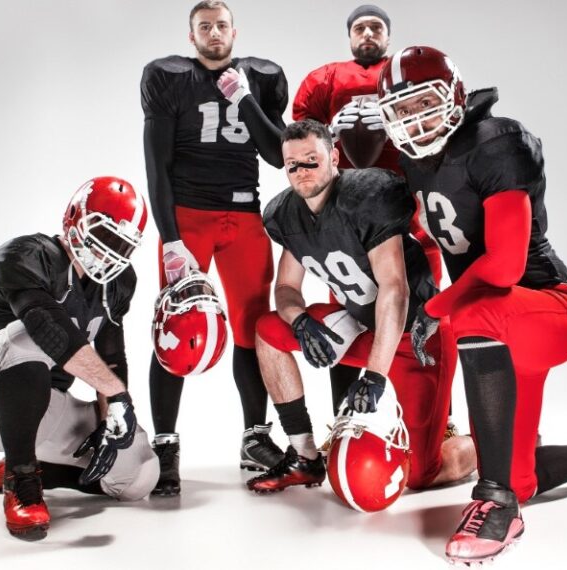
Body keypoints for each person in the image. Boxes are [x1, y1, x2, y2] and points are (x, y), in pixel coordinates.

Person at [376, 46, 567, 563]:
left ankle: (495, 505)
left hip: (549, 310)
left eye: (423, 102)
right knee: (522, 476)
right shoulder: (415, 161)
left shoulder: (495, 141)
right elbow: (431, 236)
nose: (414, 119)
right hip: (497, 330)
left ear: (452, 95)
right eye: (401, 109)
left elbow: (504, 265)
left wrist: (435, 309)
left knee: (472, 314)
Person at [246, 119, 476, 494]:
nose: (302, 172)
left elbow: (394, 289)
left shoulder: (367, 196)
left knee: (419, 474)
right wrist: (299, 319)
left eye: (311, 160)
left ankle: (497, 446)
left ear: (334, 156)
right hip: (364, 327)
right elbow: (286, 287)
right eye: (293, 165)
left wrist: (374, 375)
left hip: (415, 338)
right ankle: (304, 456)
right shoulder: (287, 212)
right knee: (270, 331)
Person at [292, 4, 464, 449]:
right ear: (349, 36)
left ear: (388, 36)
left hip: (409, 211)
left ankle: (441, 419)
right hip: (347, 221)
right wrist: (334, 129)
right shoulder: (326, 78)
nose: (368, 33)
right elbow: (299, 138)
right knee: (349, 320)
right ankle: (342, 421)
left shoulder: (402, 72)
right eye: (360, 27)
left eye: (376, 27)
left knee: (428, 317)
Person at [0, 177, 159, 541]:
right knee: (26, 336)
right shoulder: (26, 254)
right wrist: (118, 396)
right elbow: (46, 327)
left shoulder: (118, 282)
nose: (106, 250)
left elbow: (112, 358)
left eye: (119, 243)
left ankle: (38, 470)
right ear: (74, 217)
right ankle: (21, 481)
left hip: (48, 406)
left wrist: (108, 418)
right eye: (102, 234)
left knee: (139, 475)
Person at [140, 0, 288, 496]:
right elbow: (156, 166)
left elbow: (276, 155)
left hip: (244, 216)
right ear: (192, 36)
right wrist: (171, 236)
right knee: (175, 325)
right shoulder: (168, 78)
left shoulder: (261, 77)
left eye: (221, 25)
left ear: (234, 30)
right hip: (189, 216)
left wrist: (246, 98)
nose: (214, 33)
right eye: (204, 26)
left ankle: (254, 437)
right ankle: (164, 443)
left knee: (252, 326)